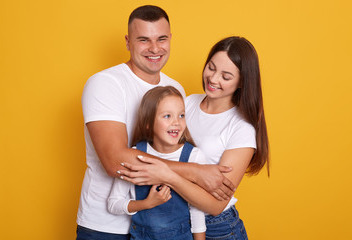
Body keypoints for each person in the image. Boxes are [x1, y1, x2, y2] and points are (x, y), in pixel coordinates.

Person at [76, 5, 234, 240]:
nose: (154, 48)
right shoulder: (105, 84)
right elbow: (114, 161)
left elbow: (180, 148)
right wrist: (196, 172)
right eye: (143, 40)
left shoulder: (175, 89)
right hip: (107, 226)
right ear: (128, 42)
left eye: (161, 39)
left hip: (163, 228)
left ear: (170, 39)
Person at [119, 36, 269, 240]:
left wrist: (167, 175)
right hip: (173, 221)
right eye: (211, 67)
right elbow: (153, 149)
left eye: (226, 76)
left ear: (242, 81)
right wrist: (193, 173)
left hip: (216, 229)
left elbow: (216, 205)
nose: (213, 79)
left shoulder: (241, 129)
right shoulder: (187, 103)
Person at [107, 86, 206, 240]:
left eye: (181, 115)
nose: (176, 122)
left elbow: (197, 210)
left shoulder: (193, 156)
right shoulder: (134, 156)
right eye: (167, 116)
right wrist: (147, 203)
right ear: (148, 123)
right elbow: (114, 204)